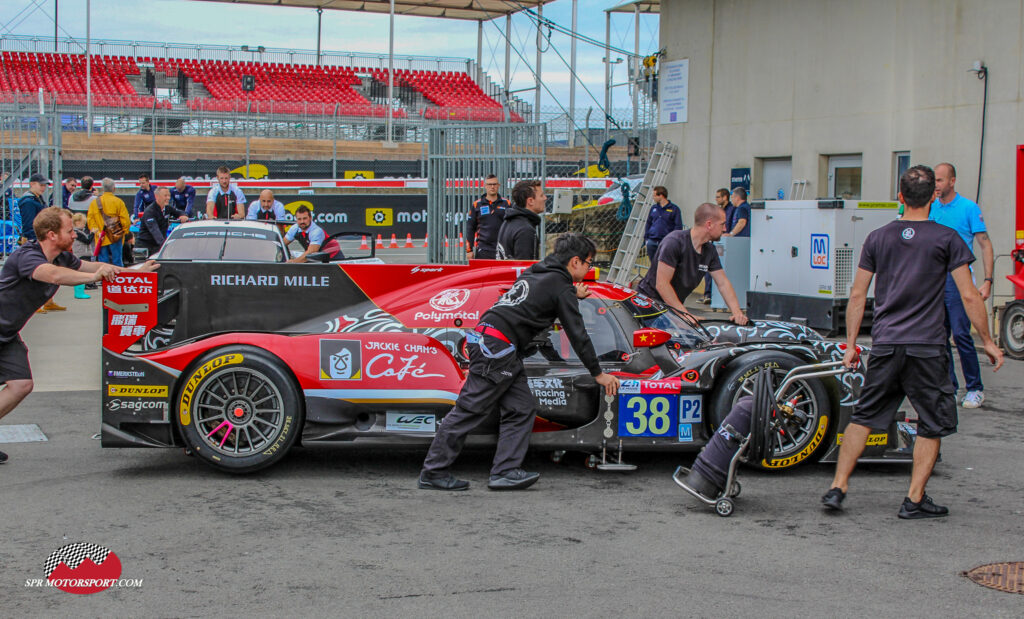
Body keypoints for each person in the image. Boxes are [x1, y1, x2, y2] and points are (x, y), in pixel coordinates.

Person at [821, 165, 1003, 519]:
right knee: (931, 423)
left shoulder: (878, 237)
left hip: (887, 344)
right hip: (927, 347)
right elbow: (969, 296)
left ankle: (837, 487)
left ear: (900, 197)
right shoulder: (947, 238)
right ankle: (914, 499)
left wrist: (851, 344)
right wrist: (990, 342)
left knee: (864, 417)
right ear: (933, 197)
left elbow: (858, 295)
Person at [419, 233, 621, 491]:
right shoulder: (560, 286)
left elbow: (544, 297)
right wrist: (598, 373)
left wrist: (571, 292)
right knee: (469, 410)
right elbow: (578, 334)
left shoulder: (538, 272)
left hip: (494, 343)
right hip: (497, 348)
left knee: (521, 408)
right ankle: (433, 472)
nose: (589, 269)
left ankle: (505, 471)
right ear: (574, 262)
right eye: (588, 263)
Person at [0, 207, 158, 463]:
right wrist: (92, 277)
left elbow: (95, 264)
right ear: (51, 235)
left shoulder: (63, 257)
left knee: (21, 385)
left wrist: (135, 271)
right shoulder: (27, 256)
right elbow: (52, 275)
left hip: (7, 334)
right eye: (70, 231)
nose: (76, 235)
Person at [930, 162, 994, 409]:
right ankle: (950, 387)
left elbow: (985, 244)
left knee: (961, 334)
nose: (936, 185)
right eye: (934, 180)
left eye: (940, 180)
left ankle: (975, 388)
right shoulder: (931, 208)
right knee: (938, 337)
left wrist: (987, 281)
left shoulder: (968, 208)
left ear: (952, 181)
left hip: (959, 280)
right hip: (934, 280)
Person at [636, 203, 749, 324]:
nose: (725, 229)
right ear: (709, 224)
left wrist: (737, 312)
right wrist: (685, 315)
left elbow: (723, 283)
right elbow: (662, 284)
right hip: (647, 305)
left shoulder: (709, 250)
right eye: (722, 224)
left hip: (672, 309)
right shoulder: (674, 242)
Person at [496, 179, 545, 260]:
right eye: (541, 195)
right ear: (530, 201)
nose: (545, 198)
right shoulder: (525, 230)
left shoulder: (508, 221)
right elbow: (525, 269)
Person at [87, 177, 131, 267]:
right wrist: (124, 232)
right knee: (117, 261)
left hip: (101, 236)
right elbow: (125, 220)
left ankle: (104, 280)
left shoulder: (94, 203)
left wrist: (97, 232)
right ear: (114, 188)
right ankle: (117, 279)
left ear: (102, 188)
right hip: (115, 235)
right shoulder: (118, 202)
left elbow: (90, 219)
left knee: (103, 263)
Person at [465, 174, 510, 259]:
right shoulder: (476, 205)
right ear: (485, 186)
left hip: (503, 249)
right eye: (489, 184)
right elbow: (470, 228)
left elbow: (512, 225)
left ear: (498, 185)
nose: (492, 187)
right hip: (483, 249)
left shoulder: (507, 203)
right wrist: (469, 250)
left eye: (494, 184)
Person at [136, 186, 188, 256]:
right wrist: (165, 246)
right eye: (165, 196)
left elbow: (178, 212)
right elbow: (155, 231)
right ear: (157, 197)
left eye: (169, 196)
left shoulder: (167, 208)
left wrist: (183, 215)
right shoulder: (150, 211)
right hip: (145, 245)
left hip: (158, 244)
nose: (168, 198)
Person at [701, 188, 732, 305]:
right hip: (716, 243)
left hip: (725, 243)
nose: (716, 199)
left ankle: (714, 296)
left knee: (718, 272)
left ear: (725, 197)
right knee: (707, 270)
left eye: (718, 197)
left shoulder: (731, 210)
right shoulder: (718, 211)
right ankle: (708, 294)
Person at [643, 186, 683, 264]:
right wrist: (647, 238)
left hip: (666, 241)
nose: (653, 198)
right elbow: (649, 223)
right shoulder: (653, 208)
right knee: (654, 264)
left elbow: (678, 226)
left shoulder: (674, 209)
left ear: (661, 195)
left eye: (654, 195)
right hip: (652, 240)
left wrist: (671, 240)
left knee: (665, 263)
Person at [18, 173, 50, 244]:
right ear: (32, 184)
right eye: (41, 185)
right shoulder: (28, 202)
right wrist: (35, 240)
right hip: (35, 240)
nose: (43, 188)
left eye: (44, 185)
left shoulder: (38, 198)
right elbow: (29, 225)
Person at [70, 212, 95, 299]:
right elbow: (87, 240)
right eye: (83, 223)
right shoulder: (77, 232)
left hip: (82, 253)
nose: (84, 225)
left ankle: (81, 290)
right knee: (81, 273)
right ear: (77, 223)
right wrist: (92, 233)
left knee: (82, 273)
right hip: (81, 254)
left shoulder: (79, 232)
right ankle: (79, 292)